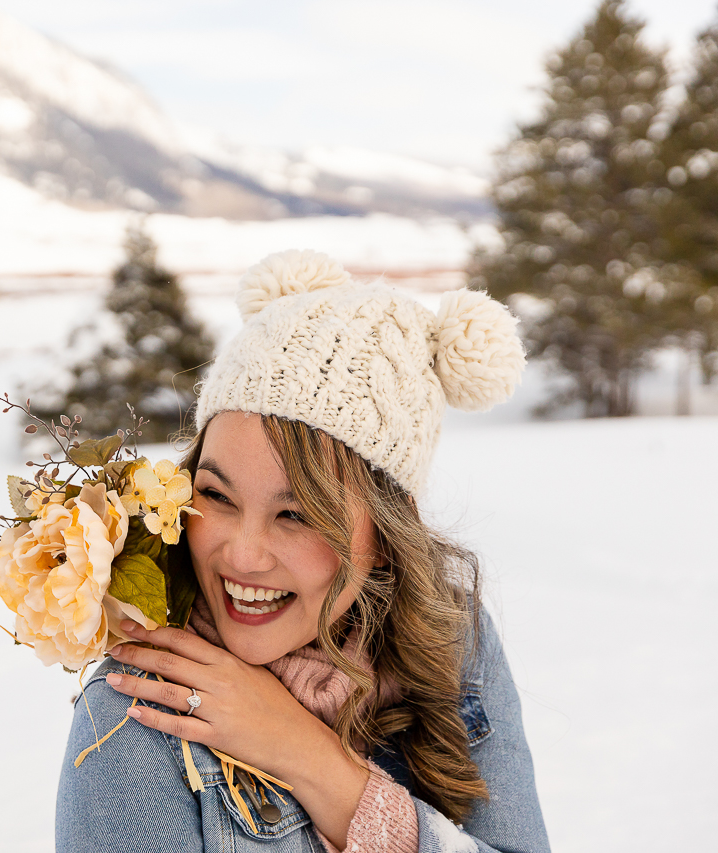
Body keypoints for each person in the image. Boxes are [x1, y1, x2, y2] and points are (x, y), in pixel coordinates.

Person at [56, 250, 549, 852]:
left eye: (297, 514)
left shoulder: (453, 639)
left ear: (388, 541)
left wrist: (315, 763)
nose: (243, 555)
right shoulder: (140, 711)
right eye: (217, 495)